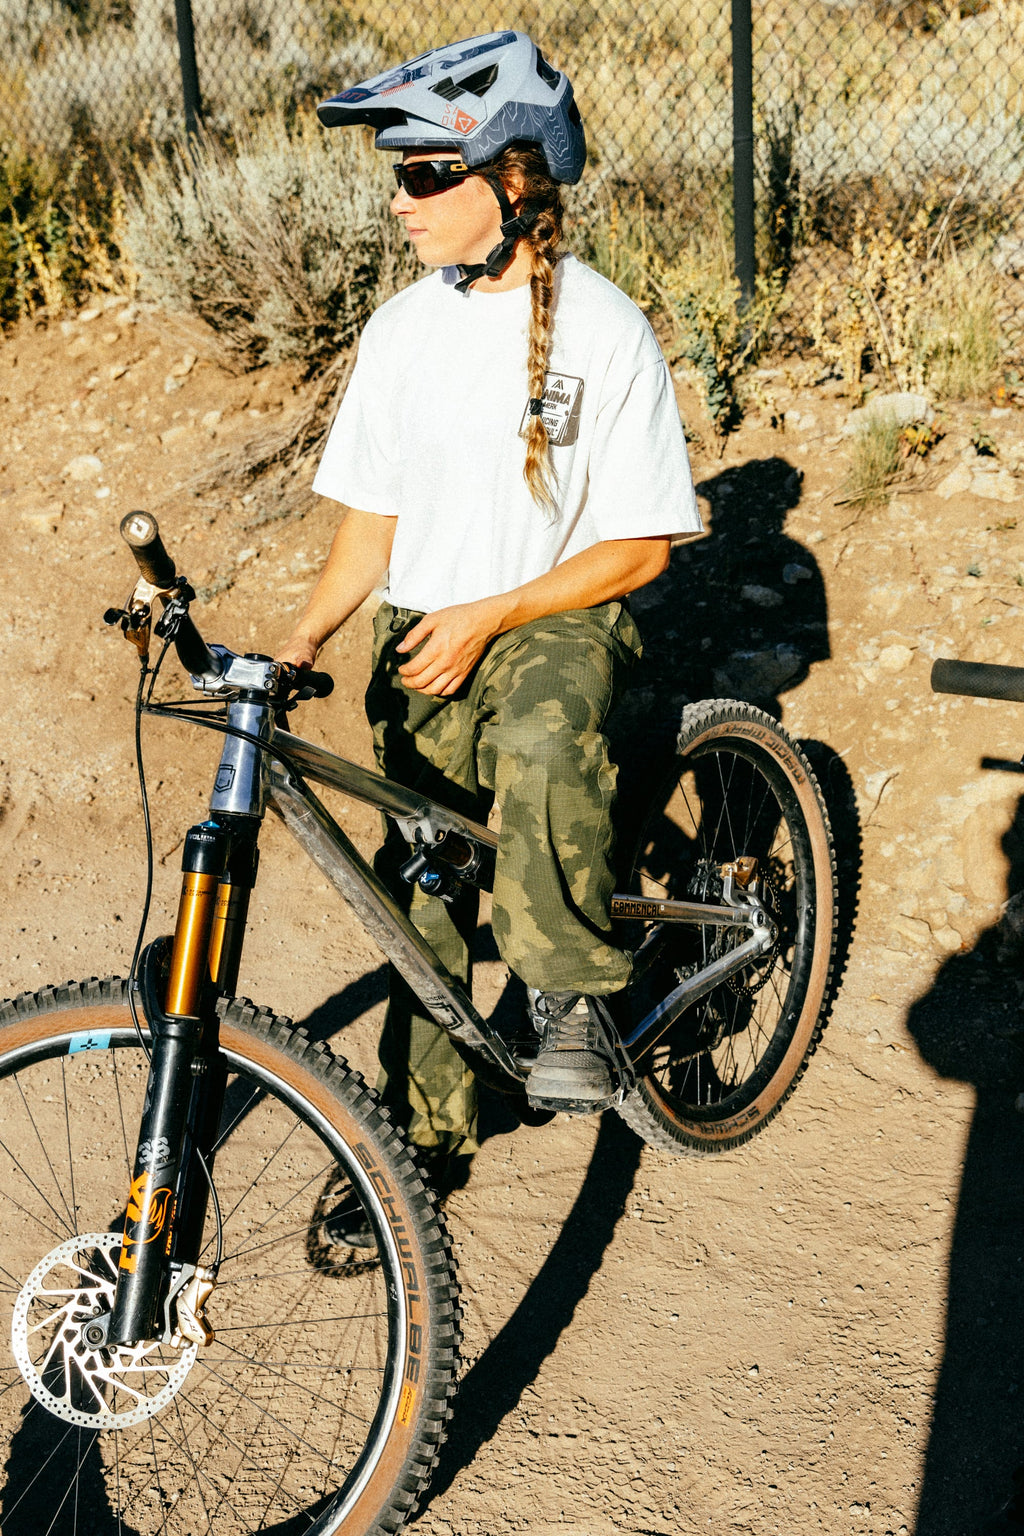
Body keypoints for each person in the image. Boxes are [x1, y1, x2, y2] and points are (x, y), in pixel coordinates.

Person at [277, 30, 704, 1205]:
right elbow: (369, 528)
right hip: (422, 626)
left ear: (512, 182)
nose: (401, 199)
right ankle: (423, 1144)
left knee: (536, 735)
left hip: (553, 618)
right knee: (418, 886)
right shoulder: (402, 332)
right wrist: (302, 640)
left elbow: (643, 545)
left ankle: (568, 990)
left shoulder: (606, 330)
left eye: (425, 173)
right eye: (398, 175)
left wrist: (495, 610)